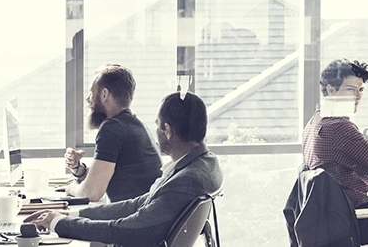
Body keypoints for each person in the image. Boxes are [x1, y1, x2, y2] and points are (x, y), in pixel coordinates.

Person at [28, 92, 223, 247]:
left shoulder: (188, 179)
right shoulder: (205, 163)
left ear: (168, 130)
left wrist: (58, 224)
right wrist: (72, 215)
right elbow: (138, 204)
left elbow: (129, 229)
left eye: (158, 126)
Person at [301, 58, 368, 244]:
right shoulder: (338, 127)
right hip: (361, 220)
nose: (358, 97)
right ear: (331, 90)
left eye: (361, 90)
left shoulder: (315, 122)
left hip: (340, 220)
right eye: (351, 90)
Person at [63, 64, 162, 202]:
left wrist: (71, 189)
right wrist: (78, 169)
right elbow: (104, 175)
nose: (88, 99)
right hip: (141, 213)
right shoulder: (133, 124)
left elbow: (91, 193)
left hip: (133, 218)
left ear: (104, 94)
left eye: (91, 93)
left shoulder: (112, 128)